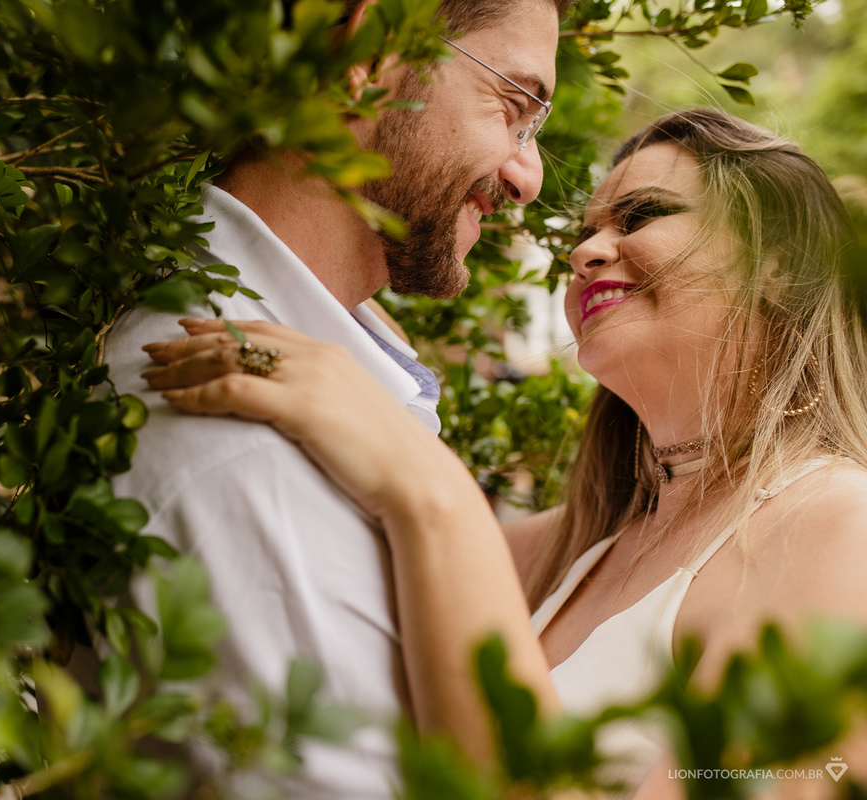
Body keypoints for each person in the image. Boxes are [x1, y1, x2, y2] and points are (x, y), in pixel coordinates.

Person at [141, 108, 867, 796]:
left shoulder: (841, 526)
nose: (584, 253)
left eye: (642, 216)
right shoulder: (574, 543)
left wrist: (433, 490)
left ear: (779, 263)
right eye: (583, 233)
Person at [101, 1, 571, 796]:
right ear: (372, 51)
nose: (527, 177)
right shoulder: (244, 437)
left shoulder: (321, 377)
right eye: (514, 108)